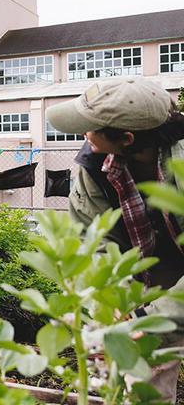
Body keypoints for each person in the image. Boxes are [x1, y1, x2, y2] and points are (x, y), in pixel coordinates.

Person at [47, 77, 184, 402]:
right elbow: (93, 250)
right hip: (144, 278)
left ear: (127, 139)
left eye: (91, 127)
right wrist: (118, 314)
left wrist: (156, 316)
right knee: (136, 383)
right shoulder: (93, 168)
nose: (84, 135)